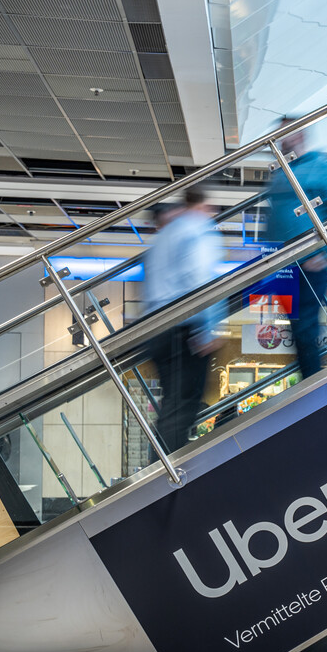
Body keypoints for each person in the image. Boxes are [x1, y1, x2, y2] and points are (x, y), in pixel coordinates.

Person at [263, 117, 327, 379]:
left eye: (285, 135)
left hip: (311, 261)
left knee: (305, 325)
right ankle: (309, 380)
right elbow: (273, 216)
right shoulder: (280, 173)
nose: (280, 141)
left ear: (300, 135)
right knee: (296, 325)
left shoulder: (322, 167)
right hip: (283, 262)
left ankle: (313, 383)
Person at [143, 187, 223, 455]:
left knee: (171, 407)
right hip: (183, 328)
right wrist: (205, 329)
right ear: (201, 205)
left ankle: (158, 473)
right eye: (211, 208)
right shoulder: (197, 228)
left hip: (156, 329)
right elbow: (199, 277)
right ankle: (164, 481)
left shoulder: (165, 234)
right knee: (183, 409)